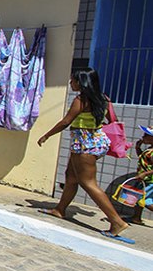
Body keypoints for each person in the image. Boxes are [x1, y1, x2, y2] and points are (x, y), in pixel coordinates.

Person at [37, 68, 131, 242]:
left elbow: (66, 121)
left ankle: (116, 222)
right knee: (71, 177)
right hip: (94, 141)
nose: (71, 83)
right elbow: (113, 120)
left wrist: (46, 135)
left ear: (81, 82)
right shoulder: (104, 98)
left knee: (88, 183)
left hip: (84, 144)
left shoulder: (81, 99)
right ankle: (60, 209)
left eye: (73, 80)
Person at [126, 126, 153, 225]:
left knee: (145, 201)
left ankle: (136, 217)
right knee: (139, 199)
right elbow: (143, 159)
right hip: (145, 180)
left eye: (146, 135)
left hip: (150, 180)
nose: (143, 136)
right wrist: (138, 148)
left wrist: (145, 173)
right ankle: (136, 218)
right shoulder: (149, 150)